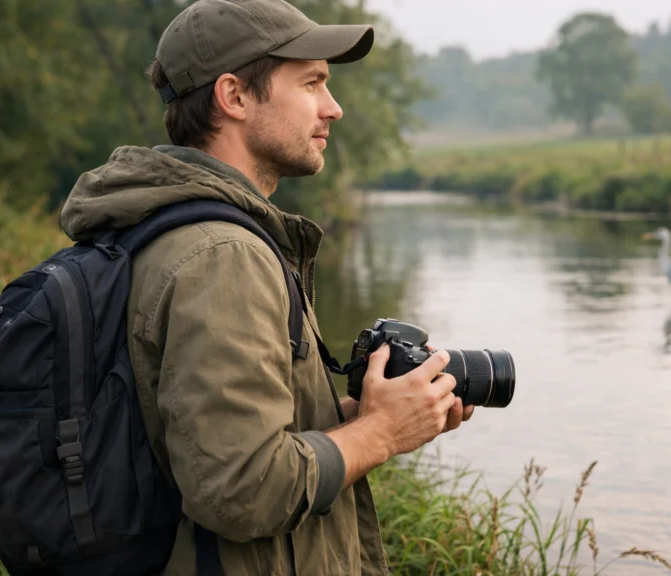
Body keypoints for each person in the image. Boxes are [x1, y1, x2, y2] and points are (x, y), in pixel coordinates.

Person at [59, 0, 471, 573]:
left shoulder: (158, 227)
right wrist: (380, 434)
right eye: (312, 83)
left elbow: (212, 439)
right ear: (234, 97)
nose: (335, 108)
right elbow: (240, 487)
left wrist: (372, 414)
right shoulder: (221, 255)